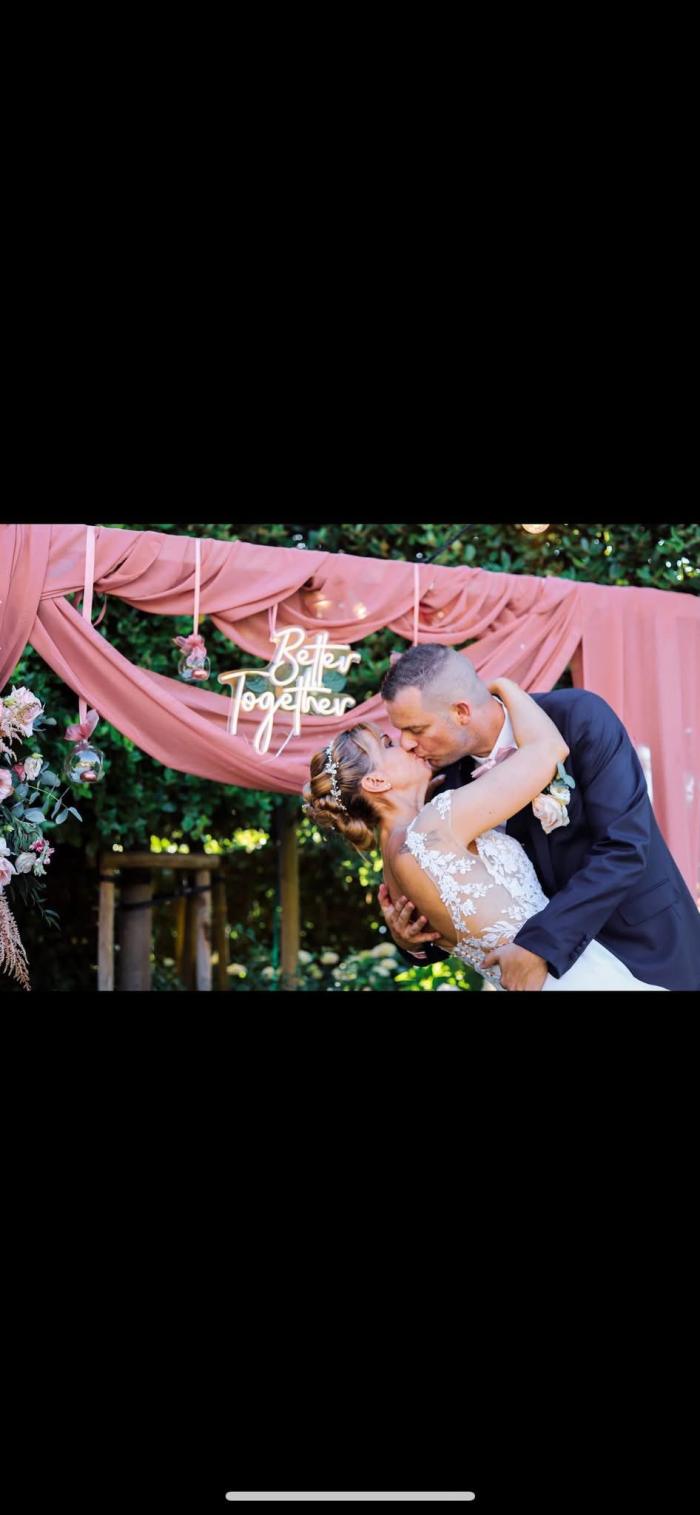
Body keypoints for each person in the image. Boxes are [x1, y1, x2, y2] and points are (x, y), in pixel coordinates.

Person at [302, 677, 676, 990]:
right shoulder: (435, 823)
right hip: (572, 974)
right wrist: (503, 687)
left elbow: (440, 927)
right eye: (387, 745)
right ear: (376, 782)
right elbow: (548, 750)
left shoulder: (393, 858)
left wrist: (410, 944)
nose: (405, 743)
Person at [373, 644, 700, 991]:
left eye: (416, 729)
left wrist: (541, 943)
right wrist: (414, 942)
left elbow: (624, 846)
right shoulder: (445, 788)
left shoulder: (577, 717)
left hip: (649, 947)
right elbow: (460, 904)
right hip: (551, 977)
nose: (406, 743)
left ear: (461, 711)